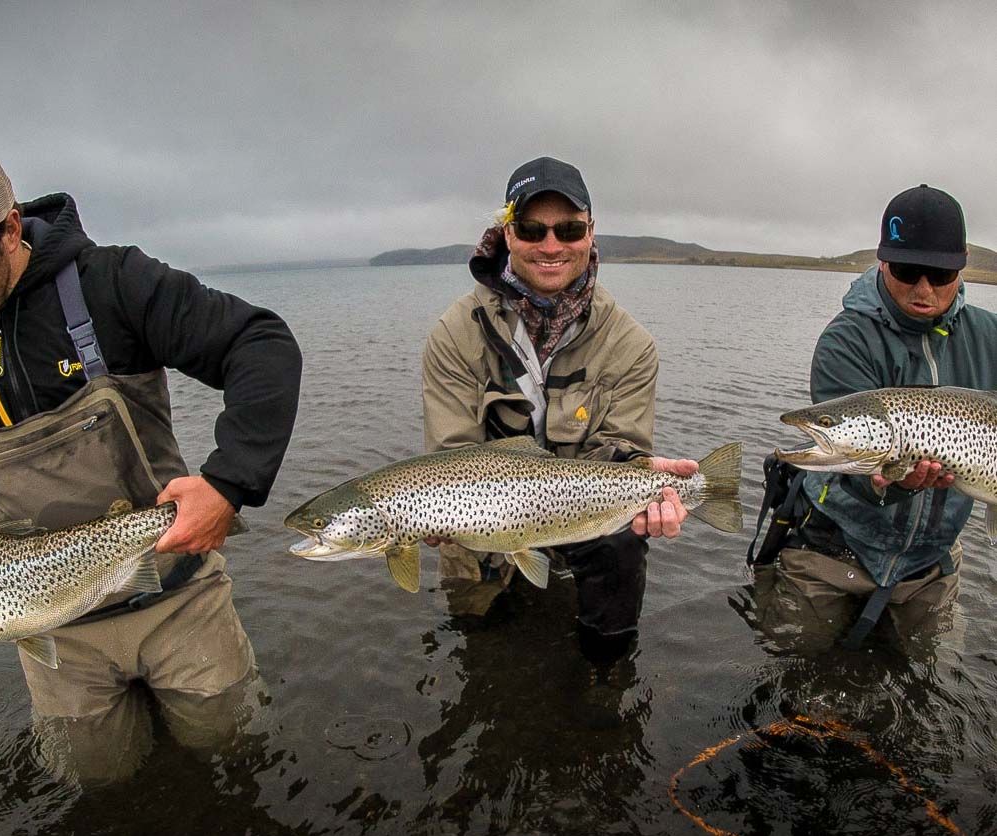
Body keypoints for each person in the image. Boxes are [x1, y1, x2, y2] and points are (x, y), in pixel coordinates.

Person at [0, 142, 302, 780]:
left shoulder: (112, 284)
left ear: (8, 231)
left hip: (178, 600)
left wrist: (227, 484)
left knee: (234, 753)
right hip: (55, 638)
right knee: (98, 784)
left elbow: (260, 344)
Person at [421, 156, 697, 660]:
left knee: (623, 547)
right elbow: (452, 454)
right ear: (508, 233)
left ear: (591, 233)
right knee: (475, 640)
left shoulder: (631, 344)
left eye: (569, 229)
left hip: (586, 508)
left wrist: (642, 475)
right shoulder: (455, 334)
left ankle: (604, 674)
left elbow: (623, 448)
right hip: (486, 513)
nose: (551, 246)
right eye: (532, 229)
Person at [754, 184, 997, 650]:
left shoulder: (988, 336)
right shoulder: (846, 341)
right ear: (883, 261)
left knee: (928, 687)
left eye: (941, 273)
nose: (924, 289)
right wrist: (893, 481)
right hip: (832, 552)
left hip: (931, 563)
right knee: (793, 677)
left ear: (962, 266)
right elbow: (852, 468)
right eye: (907, 271)